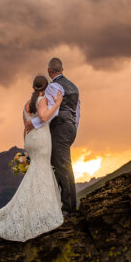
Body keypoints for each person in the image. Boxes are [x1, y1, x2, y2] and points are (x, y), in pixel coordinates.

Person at [0, 75, 64, 241]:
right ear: (45, 88)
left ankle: (35, 209)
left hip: (30, 140)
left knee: (37, 172)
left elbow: (24, 127)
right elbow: (43, 117)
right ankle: (42, 214)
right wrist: (57, 103)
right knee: (42, 171)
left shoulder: (26, 104)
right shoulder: (42, 101)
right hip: (41, 140)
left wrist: (26, 146)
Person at [25, 57, 80, 215]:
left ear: (49, 71)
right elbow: (77, 112)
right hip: (70, 128)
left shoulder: (53, 87)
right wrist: (72, 128)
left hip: (60, 128)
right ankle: (60, 202)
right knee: (59, 164)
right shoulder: (74, 87)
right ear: (63, 69)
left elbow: (51, 112)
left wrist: (33, 123)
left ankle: (69, 208)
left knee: (62, 165)